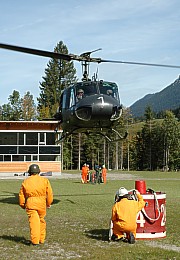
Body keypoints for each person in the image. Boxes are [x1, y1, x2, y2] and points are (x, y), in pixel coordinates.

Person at [19, 164, 53, 246]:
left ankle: (35, 241)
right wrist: (48, 203)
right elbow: (49, 193)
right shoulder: (45, 180)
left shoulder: (26, 181)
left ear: (29, 172)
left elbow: (21, 194)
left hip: (31, 203)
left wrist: (22, 204)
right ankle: (41, 239)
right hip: (42, 203)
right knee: (41, 220)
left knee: (34, 222)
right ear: (39, 171)